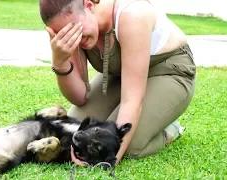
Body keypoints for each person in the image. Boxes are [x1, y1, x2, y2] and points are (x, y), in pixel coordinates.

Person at [39, 0, 196, 166]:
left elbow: (132, 100)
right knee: (74, 126)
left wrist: (111, 161)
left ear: (89, 6)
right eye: (65, 34)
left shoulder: (132, 14)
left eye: (74, 29)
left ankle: (169, 129)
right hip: (123, 75)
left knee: (127, 145)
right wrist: (60, 63)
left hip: (169, 71)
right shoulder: (79, 31)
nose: (74, 39)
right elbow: (80, 98)